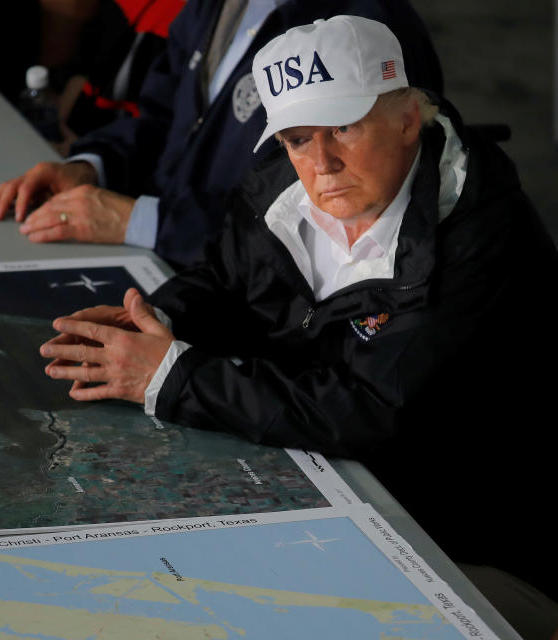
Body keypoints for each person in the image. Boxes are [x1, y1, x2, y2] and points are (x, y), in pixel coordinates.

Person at [38, 15, 558, 634]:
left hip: (465, 533)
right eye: (296, 137)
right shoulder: (281, 177)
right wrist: (155, 320)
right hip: (336, 486)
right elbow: (226, 277)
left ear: (407, 119)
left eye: (344, 126)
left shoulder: (479, 234)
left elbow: (368, 409)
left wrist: (173, 376)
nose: (322, 162)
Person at [0, 0, 444, 268]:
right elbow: (164, 115)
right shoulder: (215, 5)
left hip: (244, 296)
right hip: (167, 264)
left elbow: (325, 220)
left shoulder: (363, 32)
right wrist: (93, 165)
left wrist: (146, 223)